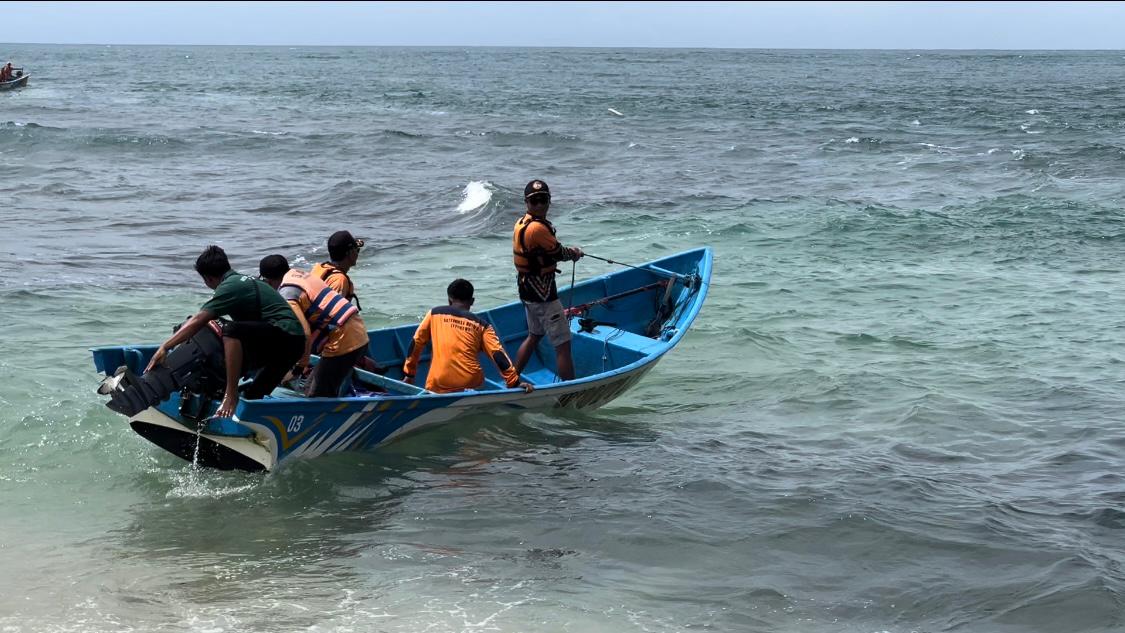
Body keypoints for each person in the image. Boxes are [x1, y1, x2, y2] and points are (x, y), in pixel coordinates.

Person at [144, 245, 306, 418]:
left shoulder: (230, 286)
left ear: (207, 279)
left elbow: (199, 320)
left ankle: (231, 395)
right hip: (290, 344)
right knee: (254, 396)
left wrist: (165, 347)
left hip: (285, 336)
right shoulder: (240, 281)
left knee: (229, 330)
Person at [258, 254, 370, 398]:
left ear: (268, 281)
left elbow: (304, 333)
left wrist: (300, 367)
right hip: (355, 329)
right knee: (310, 388)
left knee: (318, 395)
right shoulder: (298, 274)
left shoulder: (287, 294)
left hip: (344, 339)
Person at [402, 279, 534, 394]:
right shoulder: (483, 325)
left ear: (449, 300)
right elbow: (497, 354)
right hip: (470, 383)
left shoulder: (434, 313)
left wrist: (409, 374)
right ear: (472, 301)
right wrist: (514, 383)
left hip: (439, 382)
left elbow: (416, 343)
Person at [511, 179, 583, 380]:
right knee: (563, 344)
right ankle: (571, 390)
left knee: (535, 335)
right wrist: (575, 253)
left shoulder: (521, 223)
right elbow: (559, 252)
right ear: (527, 202)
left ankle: (512, 378)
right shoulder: (537, 229)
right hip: (543, 295)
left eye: (543, 199)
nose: (540, 205)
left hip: (527, 290)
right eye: (535, 201)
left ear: (549, 200)